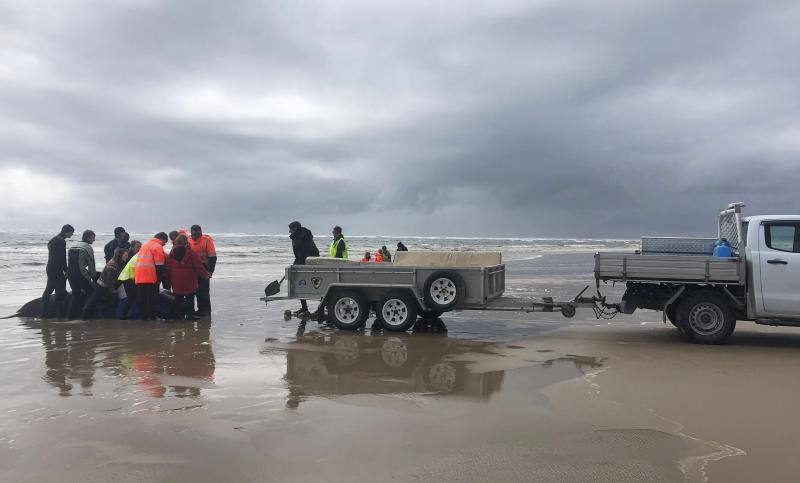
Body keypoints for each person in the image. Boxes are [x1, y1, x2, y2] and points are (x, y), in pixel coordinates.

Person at [167, 234, 211, 320]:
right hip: (189, 279)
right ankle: (190, 315)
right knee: (190, 298)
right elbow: (198, 266)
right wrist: (205, 274)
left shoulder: (171, 254)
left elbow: (168, 268)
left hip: (176, 280)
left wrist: (169, 279)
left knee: (178, 298)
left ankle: (178, 316)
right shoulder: (190, 252)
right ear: (186, 242)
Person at [82, 248, 127, 319]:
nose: (126, 257)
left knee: (112, 300)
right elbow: (109, 280)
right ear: (120, 255)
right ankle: (84, 317)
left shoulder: (119, 263)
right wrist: (113, 290)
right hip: (102, 285)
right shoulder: (112, 264)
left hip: (106, 285)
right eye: (125, 255)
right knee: (93, 301)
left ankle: (101, 314)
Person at [42, 224, 74, 318]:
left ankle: (44, 313)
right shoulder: (61, 241)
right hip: (57, 269)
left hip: (50, 268)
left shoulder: (52, 240)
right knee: (59, 292)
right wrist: (66, 270)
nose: (71, 235)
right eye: (71, 233)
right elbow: (62, 258)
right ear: (66, 231)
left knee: (49, 289)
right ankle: (59, 314)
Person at [135, 232, 168, 321]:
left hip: (139, 276)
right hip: (150, 276)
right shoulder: (157, 246)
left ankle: (143, 317)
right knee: (151, 298)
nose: (164, 245)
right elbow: (159, 265)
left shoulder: (145, 245)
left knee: (142, 298)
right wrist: (159, 279)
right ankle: (152, 317)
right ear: (162, 239)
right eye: (164, 243)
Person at [289, 221, 320, 316]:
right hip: (315, 262)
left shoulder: (298, 239)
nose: (289, 231)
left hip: (306, 264)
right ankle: (319, 309)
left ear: (295, 229)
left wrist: (296, 264)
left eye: (290, 229)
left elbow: (301, 254)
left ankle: (306, 309)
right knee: (319, 284)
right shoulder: (305, 235)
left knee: (301, 285)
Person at [188, 225, 217, 317]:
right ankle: (200, 310)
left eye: (198, 232)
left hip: (205, 268)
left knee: (204, 291)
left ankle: (206, 311)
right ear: (191, 232)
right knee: (195, 290)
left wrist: (210, 271)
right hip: (193, 270)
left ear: (201, 232)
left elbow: (213, 257)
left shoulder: (207, 240)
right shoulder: (188, 241)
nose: (197, 234)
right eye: (195, 232)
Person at [67, 230, 97, 319]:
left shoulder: (73, 246)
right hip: (80, 274)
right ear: (88, 237)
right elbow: (91, 264)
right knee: (91, 292)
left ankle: (70, 316)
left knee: (76, 294)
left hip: (70, 274)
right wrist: (93, 276)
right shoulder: (87, 247)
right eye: (93, 237)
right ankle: (86, 316)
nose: (94, 240)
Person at [118, 240, 142, 319]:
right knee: (131, 297)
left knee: (133, 297)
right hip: (127, 278)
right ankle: (124, 316)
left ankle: (126, 315)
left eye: (140, 246)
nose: (139, 248)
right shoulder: (128, 255)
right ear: (132, 247)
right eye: (138, 247)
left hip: (130, 277)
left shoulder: (136, 255)